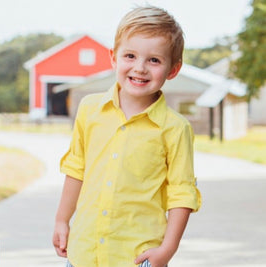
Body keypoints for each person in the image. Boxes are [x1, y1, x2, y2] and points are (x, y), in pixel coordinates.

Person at [53, 5, 201, 267]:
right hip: (84, 252)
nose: (140, 68)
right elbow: (76, 168)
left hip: (137, 256)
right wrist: (62, 220)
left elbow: (182, 193)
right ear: (114, 57)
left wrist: (167, 250)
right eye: (130, 56)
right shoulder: (89, 109)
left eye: (154, 60)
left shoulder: (175, 128)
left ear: (173, 69)